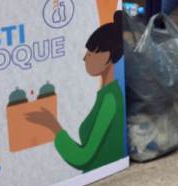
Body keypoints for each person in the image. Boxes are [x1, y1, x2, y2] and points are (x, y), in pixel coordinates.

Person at [24, 12, 126, 173]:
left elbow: (83, 158)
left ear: (107, 56)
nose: (85, 59)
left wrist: (53, 126)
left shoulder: (110, 100)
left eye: (90, 53)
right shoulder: (107, 95)